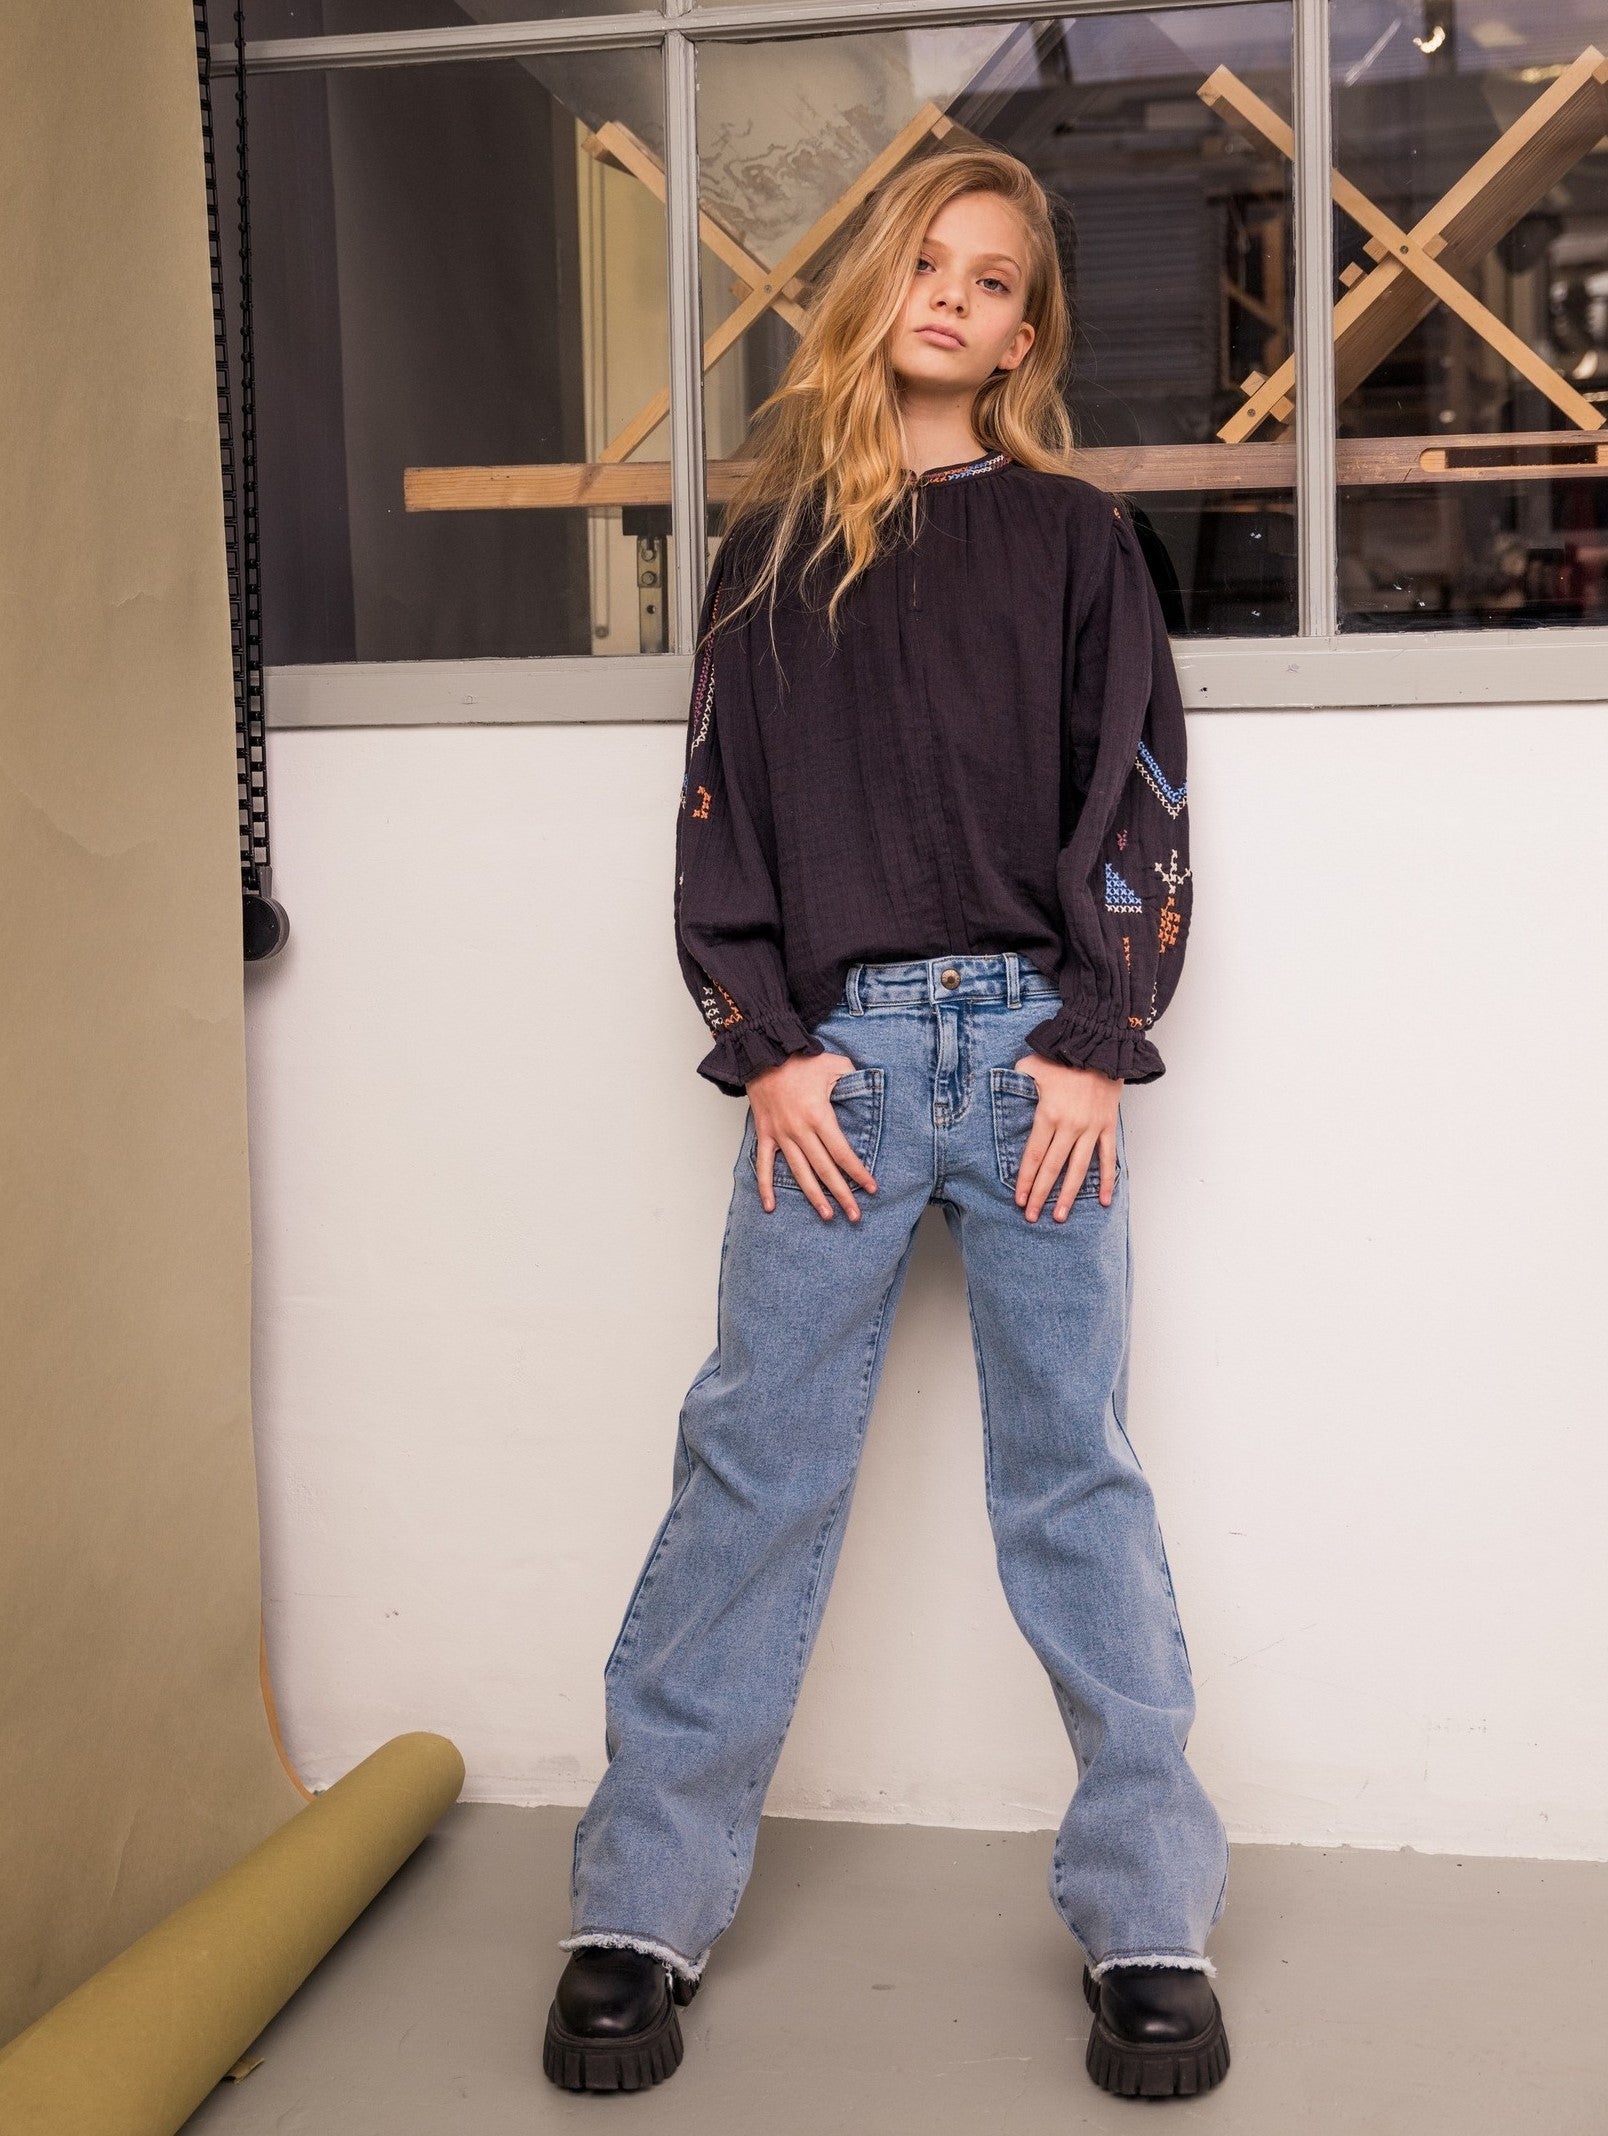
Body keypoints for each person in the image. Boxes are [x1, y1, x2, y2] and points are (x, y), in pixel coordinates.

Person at [543, 144, 1231, 2103]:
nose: (955, 294)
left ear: (1024, 338)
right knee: (752, 1466)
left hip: (1032, 1066)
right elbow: (719, 812)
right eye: (928, 262)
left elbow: (1141, 794)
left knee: (1074, 1476)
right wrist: (763, 1044)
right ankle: (638, 1911)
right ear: (874, 289)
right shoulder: (769, 557)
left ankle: (1151, 1919)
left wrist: (1098, 1037)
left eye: (994, 279)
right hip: (834, 1068)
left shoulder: (1079, 544)